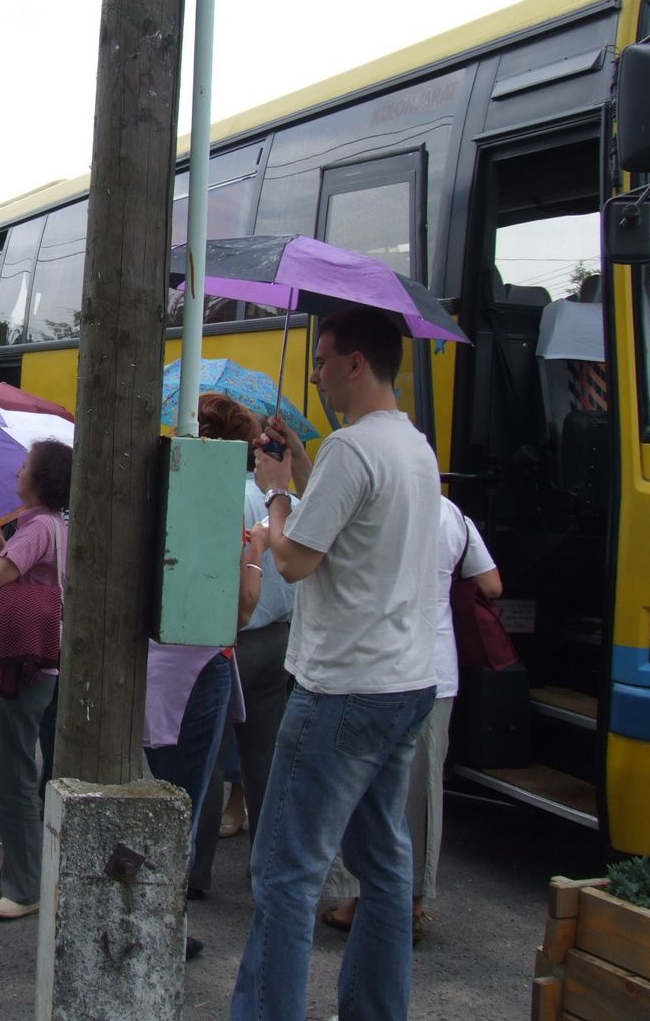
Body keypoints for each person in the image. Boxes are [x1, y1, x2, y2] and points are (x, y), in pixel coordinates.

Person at [231, 306, 441, 1021]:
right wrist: (300, 463)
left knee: (284, 873)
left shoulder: (353, 449)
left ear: (355, 362)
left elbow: (294, 559)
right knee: (384, 867)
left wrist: (276, 489)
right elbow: (350, 518)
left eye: (322, 362)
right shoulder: (412, 445)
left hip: (341, 686)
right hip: (405, 681)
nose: (316, 375)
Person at [321, 495, 501, 939]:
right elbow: (492, 585)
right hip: (437, 670)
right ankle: (414, 900)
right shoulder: (453, 514)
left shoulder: (377, 504)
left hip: (378, 665)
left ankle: (358, 898)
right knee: (423, 791)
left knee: (362, 784)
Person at [0, 439, 73, 921]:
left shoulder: (39, 525)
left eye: (25, 466)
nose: (17, 472)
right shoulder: (48, 524)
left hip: (19, 661)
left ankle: (25, 887)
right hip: (31, 661)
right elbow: (24, 574)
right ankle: (14, 874)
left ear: (40, 480)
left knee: (13, 774)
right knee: (13, 770)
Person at [190, 394, 300, 898]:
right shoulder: (278, 498)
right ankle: (268, 872)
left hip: (228, 639)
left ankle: (196, 873)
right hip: (278, 639)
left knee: (206, 759)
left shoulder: (216, 495)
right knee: (265, 763)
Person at [143, 505, 265, 955]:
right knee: (184, 806)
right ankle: (165, 924)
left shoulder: (157, 516)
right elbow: (243, 610)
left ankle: (160, 918)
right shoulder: (213, 520)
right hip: (195, 670)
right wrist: (257, 551)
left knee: (172, 798)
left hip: (161, 671)